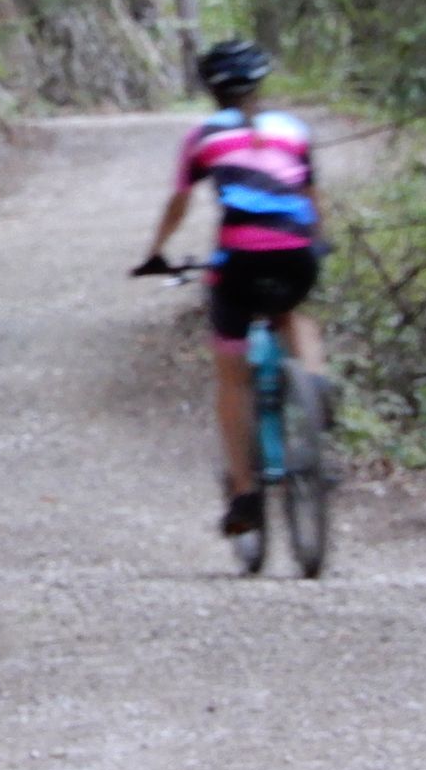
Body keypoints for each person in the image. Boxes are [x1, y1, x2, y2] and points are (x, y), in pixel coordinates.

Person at [132, 38, 331, 538]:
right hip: (296, 252)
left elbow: (180, 202)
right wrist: (319, 241)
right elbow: (310, 195)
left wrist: (155, 252)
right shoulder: (293, 129)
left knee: (232, 375)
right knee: (292, 313)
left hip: (240, 258)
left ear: (211, 90)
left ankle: (244, 495)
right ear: (260, 83)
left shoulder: (203, 137)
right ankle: (315, 386)